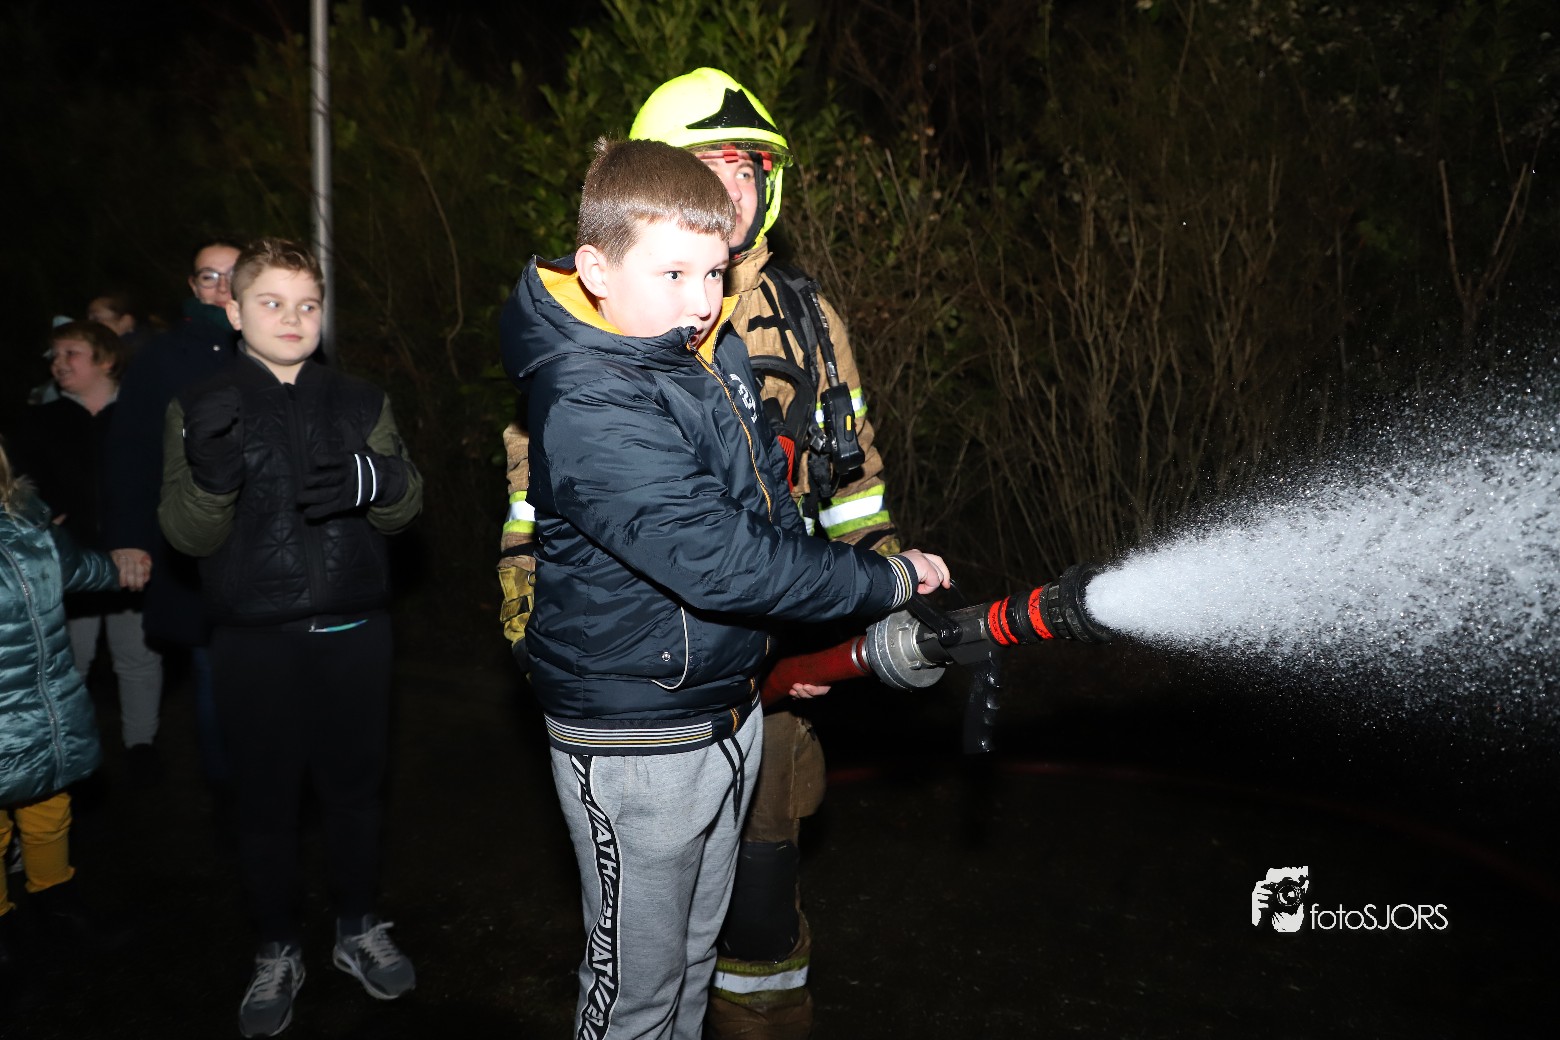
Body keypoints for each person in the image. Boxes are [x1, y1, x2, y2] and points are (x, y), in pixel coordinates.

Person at [499, 138, 949, 1040]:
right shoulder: (587, 401)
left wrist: (792, 648)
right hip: (637, 740)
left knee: (694, 967)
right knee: (634, 995)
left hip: (725, 709)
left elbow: (767, 516)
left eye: (712, 274)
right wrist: (883, 578)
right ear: (596, 270)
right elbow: (722, 560)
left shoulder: (694, 357)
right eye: (672, 273)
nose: (702, 301)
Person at [158, 238, 422, 1038]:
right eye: (271, 302)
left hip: (357, 633)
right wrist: (211, 474)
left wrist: (378, 480)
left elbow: (404, 510)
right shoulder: (199, 404)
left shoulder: (362, 399)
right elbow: (188, 536)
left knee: (355, 795)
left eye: (308, 304)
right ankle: (275, 946)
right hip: (254, 642)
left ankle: (357, 926)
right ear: (234, 311)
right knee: (264, 805)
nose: (293, 318)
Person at [105, 237, 242, 787]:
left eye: (233, 273)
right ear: (193, 285)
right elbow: (131, 451)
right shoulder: (161, 357)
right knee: (216, 671)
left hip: (273, 550)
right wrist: (128, 537)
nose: (222, 286)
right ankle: (230, 794)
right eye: (209, 275)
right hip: (193, 546)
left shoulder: (278, 342)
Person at [0, 436, 136, 982]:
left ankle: (57, 905)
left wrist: (121, 567)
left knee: (48, 811)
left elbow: (75, 567)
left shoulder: (28, 522)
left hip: (42, 713)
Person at [8, 322, 162, 779]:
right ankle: (74, 750)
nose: (58, 363)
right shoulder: (40, 421)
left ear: (106, 360)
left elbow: (166, 480)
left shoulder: (144, 414)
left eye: (70, 353)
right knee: (69, 661)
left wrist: (153, 535)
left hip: (134, 558)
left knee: (138, 656)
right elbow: (18, 487)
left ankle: (142, 746)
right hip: (67, 563)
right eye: (54, 355)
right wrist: (39, 521)